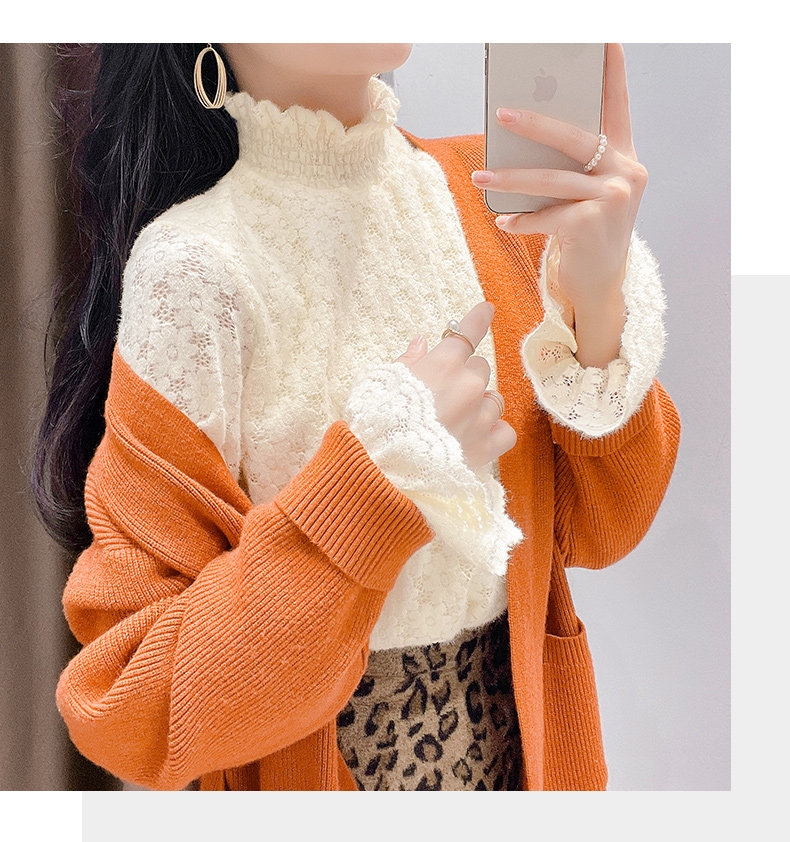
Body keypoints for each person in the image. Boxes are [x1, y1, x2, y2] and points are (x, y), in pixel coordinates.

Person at [33, 43, 680, 791]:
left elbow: (601, 530)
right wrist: (376, 485)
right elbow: (129, 710)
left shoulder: (490, 200)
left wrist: (598, 302)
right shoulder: (192, 267)